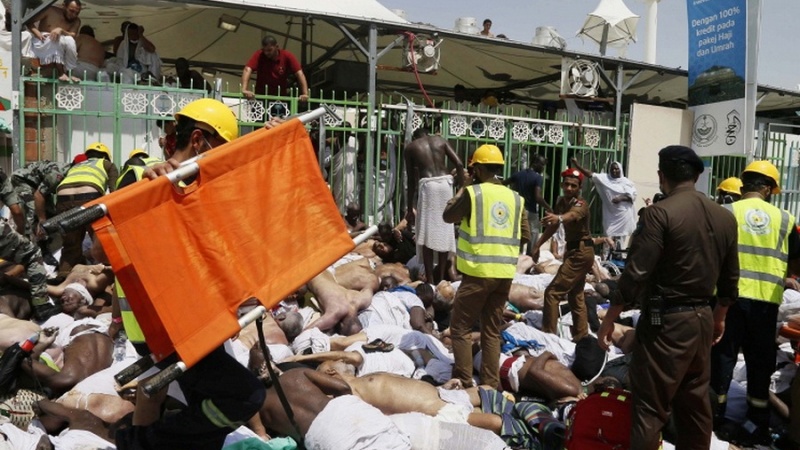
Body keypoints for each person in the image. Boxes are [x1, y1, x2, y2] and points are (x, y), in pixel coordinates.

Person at [116, 98, 266, 450]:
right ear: (198, 140)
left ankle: (143, 441)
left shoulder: (195, 188)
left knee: (203, 403)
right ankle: (141, 443)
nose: (220, 159)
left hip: (186, 319)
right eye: (219, 149)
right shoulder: (145, 177)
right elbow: (107, 241)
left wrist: (270, 145)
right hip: (164, 325)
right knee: (245, 395)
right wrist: (147, 193)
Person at [597, 145, 739, 450]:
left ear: (662, 176)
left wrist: (610, 319)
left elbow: (635, 274)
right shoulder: (724, 218)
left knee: (650, 408)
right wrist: (719, 318)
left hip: (666, 324)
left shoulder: (660, 214)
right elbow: (730, 281)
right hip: (702, 318)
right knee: (695, 404)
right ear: (698, 176)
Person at [710, 161, 800, 446]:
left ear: (744, 184)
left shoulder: (725, 212)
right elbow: (795, 259)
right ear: (768, 189)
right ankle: (755, 426)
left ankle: (717, 419)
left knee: (722, 360)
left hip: (728, 301)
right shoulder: (785, 219)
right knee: (759, 366)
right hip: (765, 304)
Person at [443, 144, 528, 388]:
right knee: (491, 331)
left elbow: (448, 216)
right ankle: (490, 384)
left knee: (459, 327)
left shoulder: (474, 193)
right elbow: (525, 235)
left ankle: (463, 379)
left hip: (478, 273)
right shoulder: (516, 198)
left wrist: (465, 186)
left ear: (477, 169)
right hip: (503, 274)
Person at [255, 367, 412, 450]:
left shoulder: (259, 409)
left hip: (328, 439)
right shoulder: (295, 374)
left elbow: (265, 437)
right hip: (349, 412)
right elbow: (343, 388)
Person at [531, 168, 594, 342]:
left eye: (573, 185)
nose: (569, 188)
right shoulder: (561, 202)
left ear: (579, 188)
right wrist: (537, 245)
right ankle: (582, 336)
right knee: (576, 296)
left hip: (581, 252)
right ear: (561, 185)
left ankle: (549, 337)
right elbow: (554, 226)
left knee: (552, 293)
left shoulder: (581, 204)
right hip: (573, 251)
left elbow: (571, 216)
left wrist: (558, 218)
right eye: (566, 184)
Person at [405, 127, 465, 283]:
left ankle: (430, 281)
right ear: (427, 134)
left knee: (426, 233)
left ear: (415, 137)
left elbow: (411, 180)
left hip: (428, 187)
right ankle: (440, 278)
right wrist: (462, 187)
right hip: (446, 184)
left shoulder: (411, 147)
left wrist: (409, 207)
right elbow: (459, 163)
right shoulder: (441, 140)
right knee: (445, 230)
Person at [55, 142, 118, 280]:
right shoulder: (107, 164)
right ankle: (103, 276)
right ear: (106, 156)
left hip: (62, 198)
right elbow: (114, 191)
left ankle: (64, 275)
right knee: (100, 239)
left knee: (70, 243)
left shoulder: (77, 165)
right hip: (89, 197)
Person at [571, 158, 637, 250]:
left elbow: (633, 196)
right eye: (612, 169)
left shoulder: (627, 182)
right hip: (610, 216)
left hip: (624, 216)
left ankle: (618, 258)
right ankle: (606, 259)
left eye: (617, 169)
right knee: (608, 237)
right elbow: (590, 174)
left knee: (621, 241)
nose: (614, 170)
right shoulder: (605, 179)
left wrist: (621, 198)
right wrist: (577, 165)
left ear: (621, 170)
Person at [503, 153, 551, 255]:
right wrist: (548, 207)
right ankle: (530, 258)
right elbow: (538, 197)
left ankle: (517, 256)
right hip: (531, 211)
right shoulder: (537, 178)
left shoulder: (519, 174)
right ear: (535, 163)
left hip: (518, 209)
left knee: (519, 233)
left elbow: (503, 183)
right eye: (542, 165)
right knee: (533, 234)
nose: (543, 168)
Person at [26, 0, 82, 82]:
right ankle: (61, 73)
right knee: (57, 39)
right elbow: (29, 22)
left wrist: (61, 30)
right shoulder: (50, 10)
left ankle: (70, 72)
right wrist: (37, 33)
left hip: (61, 45)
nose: (73, 15)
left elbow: (73, 35)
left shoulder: (76, 20)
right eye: (71, 11)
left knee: (70, 40)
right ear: (64, 6)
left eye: (77, 13)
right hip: (43, 42)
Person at [241, 35, 309, 100]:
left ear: (277, 47)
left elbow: (300, 73)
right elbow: (247, 69)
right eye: (264, 50)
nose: (266, 53)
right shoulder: (259, 54)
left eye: (269, 50)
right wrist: (244, 89)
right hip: (261, 97)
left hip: (280, 97)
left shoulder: (287, 56)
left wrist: (305, 93)